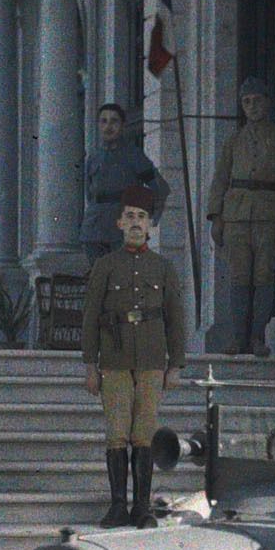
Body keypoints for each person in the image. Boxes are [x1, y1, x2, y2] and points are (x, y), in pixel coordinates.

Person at [81, 183, 186, 528]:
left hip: (152, 360)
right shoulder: (105, 266)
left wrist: (175, 364)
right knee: (116, 434)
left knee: (144, 434)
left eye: (142, 216)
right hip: (114, 360)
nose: (136, 222)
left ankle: (141, 507)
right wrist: (90, 365)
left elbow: (175, 318)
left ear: (150, 224)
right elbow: (91, 316)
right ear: (120, 223)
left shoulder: (163, 268)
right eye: (130, 216)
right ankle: (117, 506)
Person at [206, 76, 275, 355]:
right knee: (239, 276)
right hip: (235, 217)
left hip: (268, 217)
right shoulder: (233, 141)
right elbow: (220, 179)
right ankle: (238, 338)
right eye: (246, 102)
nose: (252, 106)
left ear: (268, 103)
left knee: (263, 277)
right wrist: (216, 216)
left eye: (257, 100)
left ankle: (257, 337)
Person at [80, 101, 170, 263]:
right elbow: (89, 193)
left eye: (114, 121)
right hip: (94, 228)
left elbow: (160, 188)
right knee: (97, 274)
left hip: (122, 227)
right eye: (104, 121)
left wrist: (150, 218)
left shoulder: (134, 155)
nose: (108, 127)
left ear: (123, 126)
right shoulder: (93, 157)